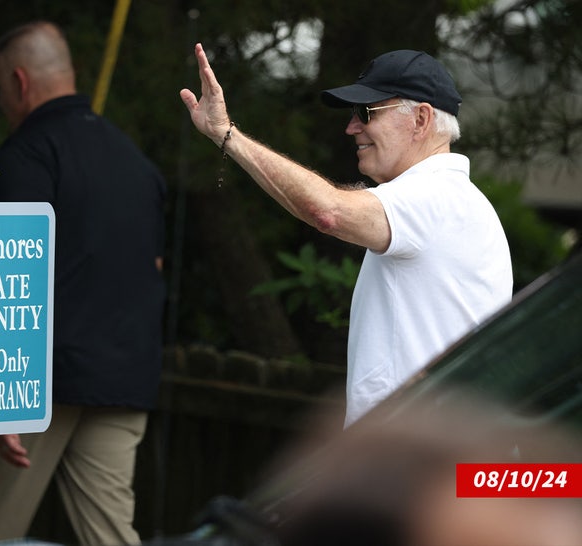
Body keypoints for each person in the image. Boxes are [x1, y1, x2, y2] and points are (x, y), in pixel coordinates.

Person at [179, 45, 512, 427]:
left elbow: (328, 211)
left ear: (421, 119)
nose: (351, 127)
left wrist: (227, 134)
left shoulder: (435, 195)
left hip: (420, 461)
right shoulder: (449, 199)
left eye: (366, 112)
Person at [0, 21, 167, 545]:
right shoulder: (138, 164)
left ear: (18, 80)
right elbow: (152, 269)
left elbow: (10, 281)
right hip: (125, 380)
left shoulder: (27, 155)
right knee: (111, 537)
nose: (1, 101)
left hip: (40, 387)